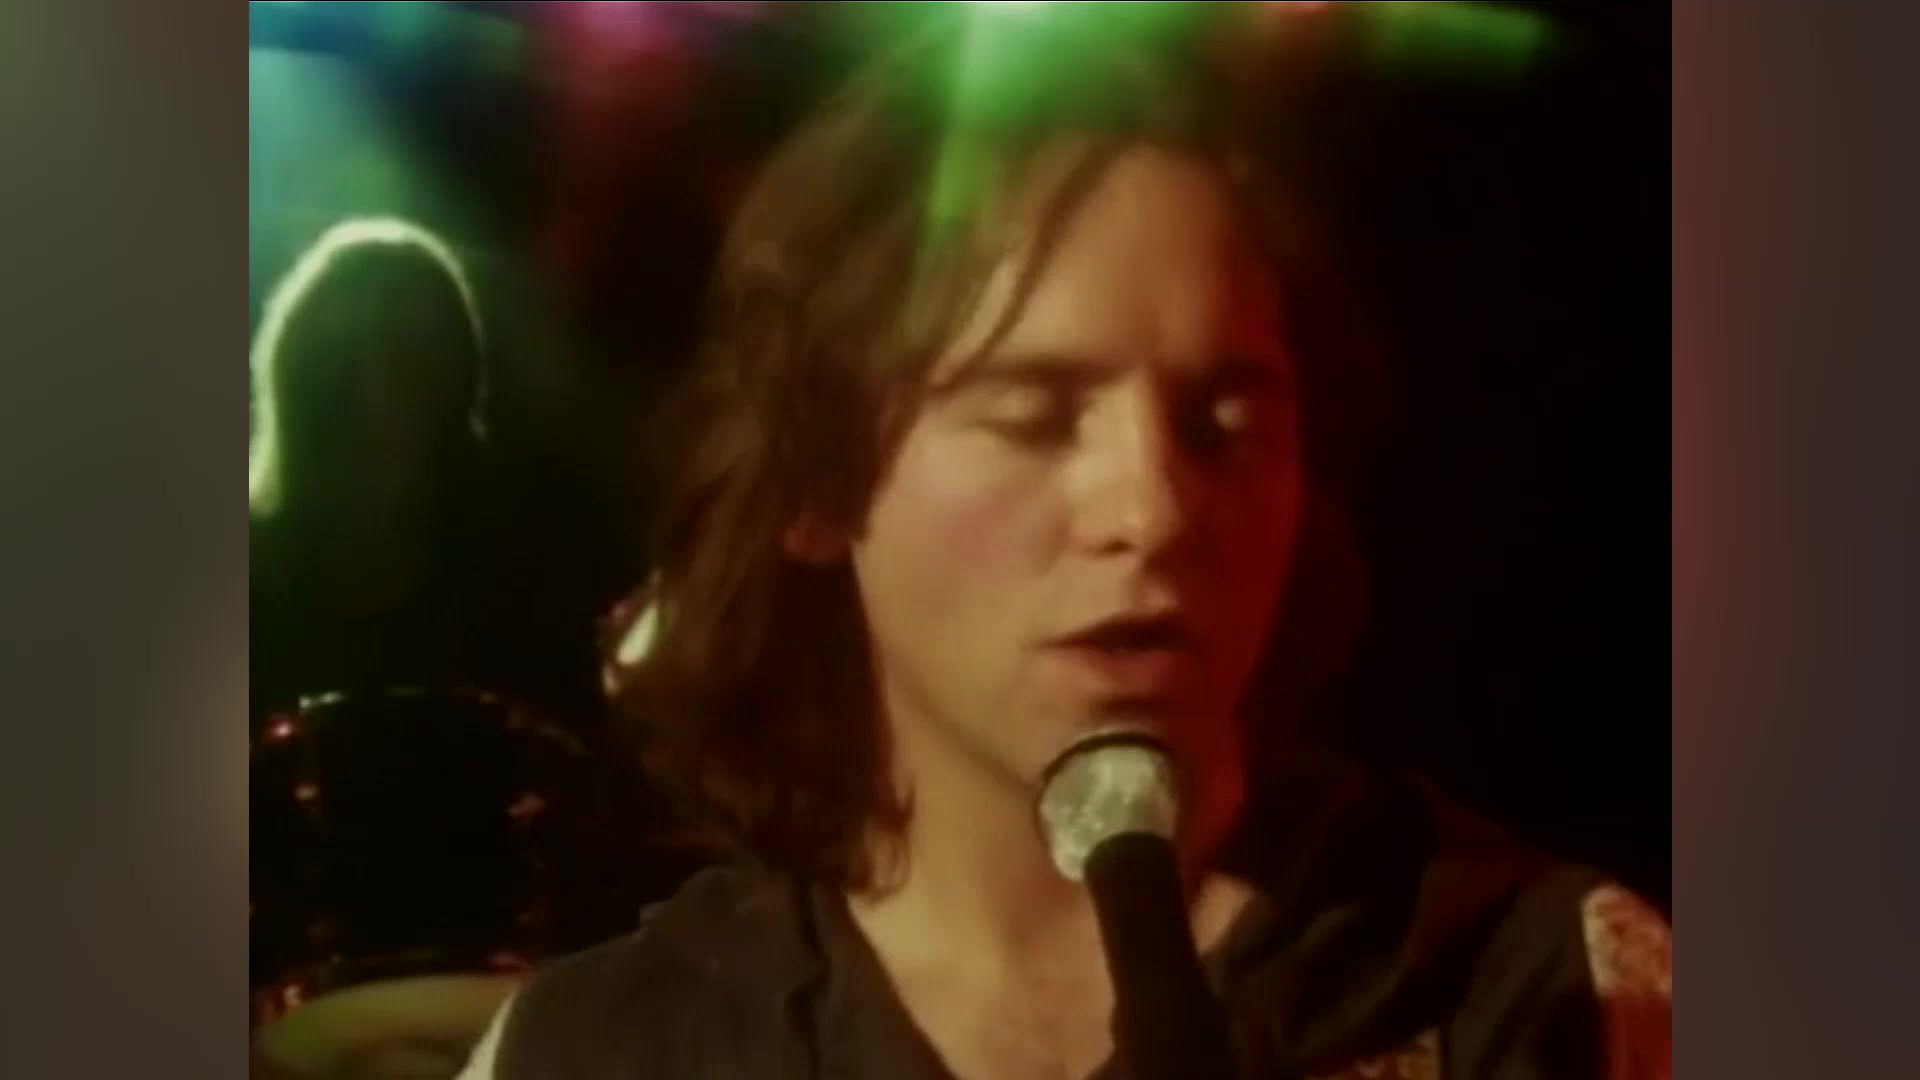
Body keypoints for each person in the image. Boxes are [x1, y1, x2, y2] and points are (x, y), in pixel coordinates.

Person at [461, 15, 1669, 1080]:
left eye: (1225, 422)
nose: (1152, 509)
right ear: (818, 481)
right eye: (1033, 417)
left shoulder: (1554, 997)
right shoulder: (604, 1054)